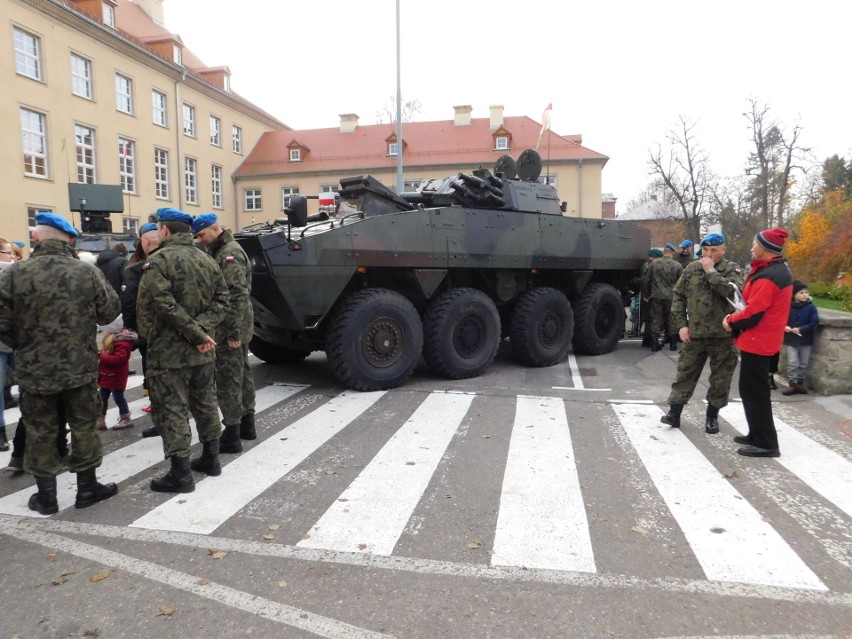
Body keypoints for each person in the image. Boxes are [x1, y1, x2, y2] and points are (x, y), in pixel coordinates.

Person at [0, 212, 120, 514]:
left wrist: (25, 345)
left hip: (34, 370)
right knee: (83, 426)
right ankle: (87, 488)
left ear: (36, 237)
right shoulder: (85, 272)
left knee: (40, 429)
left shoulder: (14, 274)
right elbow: (109, 313)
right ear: (70, 240)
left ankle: (46, 496)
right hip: (79, 368)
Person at [137, 208, 228, 493]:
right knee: (205, 402)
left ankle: (181, 475)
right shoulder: (208, 260)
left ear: (163, 230)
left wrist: (192, 332)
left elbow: (158, 306)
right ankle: (211, 460)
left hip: (169, 352)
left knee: (172, 409)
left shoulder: (158, 261)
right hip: (204, 350)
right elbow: (224, 302)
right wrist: (201, 331)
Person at [661, 233, 744, 434]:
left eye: (714, 250)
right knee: (685, 373)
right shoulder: (691, 269)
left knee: (720, 379)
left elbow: (731, 292)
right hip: (695, 333)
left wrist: (711, 271)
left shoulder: (731, 270)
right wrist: (681, 325)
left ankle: (712, 415)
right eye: (706, 250)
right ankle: (674, 412)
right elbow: (678, 296)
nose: (708, 254)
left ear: (723, 250)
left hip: (722, 336)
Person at [724, 227, 793, 458]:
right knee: (749, 390)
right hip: (758, 339)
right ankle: (756, 433)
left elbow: (754, 312)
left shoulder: (771, 275)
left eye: (755, 243)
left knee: (756, 393)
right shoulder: (770, 270)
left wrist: (731, 321)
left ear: (764, 248)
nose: (752, 247)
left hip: (760, 339)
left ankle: (767, 443)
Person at [192, 213, 257, 451]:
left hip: (231, 326)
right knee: (242, 373)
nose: (199, 240)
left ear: (214, 229)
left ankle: (232, 434)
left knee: (229, 378)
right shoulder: (223, 250)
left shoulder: (228, 254)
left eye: (201, 235)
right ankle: (247, 425)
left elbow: (236, 295)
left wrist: (232, 334)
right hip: (238, 325)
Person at [120, 222, 161, 433]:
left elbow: (128, 301)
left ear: (143, 240)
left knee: (153, 371)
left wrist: (128, 328)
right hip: (177, 331)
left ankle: (160, 413)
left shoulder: (136, 269)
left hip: (147, 330)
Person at [781, 280, 819, 396]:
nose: (805, 295)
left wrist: (801, 329)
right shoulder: (788, 306)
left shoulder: (811, 307)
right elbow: (781, 319)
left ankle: (800, 383)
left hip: (805, 339)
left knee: (803, 363)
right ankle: (792, 383)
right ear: (794, 294)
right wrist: (785, 327)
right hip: (792, 340)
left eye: (806, 292)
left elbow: (814, 321)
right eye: (801, 292)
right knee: (793, 363)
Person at [642, 243, 683, 352]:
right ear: (672, 253)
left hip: (656, 295)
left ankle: (655, 343)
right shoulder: (677, 265)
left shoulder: (654, 264)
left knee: (656, 318)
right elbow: (682, 282)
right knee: (672, 318)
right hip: (671, 296)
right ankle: (673, 344)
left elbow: (646, 280)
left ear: (664, 252)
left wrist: (646, 294)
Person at [97, 325, 137, 430]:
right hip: (107, 374)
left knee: (118, 397)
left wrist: (101, 355)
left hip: (116, 376)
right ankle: (100, 420)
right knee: (102, 397)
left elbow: (117, 359)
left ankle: (125, 418)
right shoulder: (112, 339)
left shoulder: (122, 342)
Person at [0, 237, 15, 450]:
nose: (12, 257)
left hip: (19, 340)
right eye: (7, 253)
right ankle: (1, 433)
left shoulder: (15, 275)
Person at [639, 248, 662, 347]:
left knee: (649, 318)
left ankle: (647, 340)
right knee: (650, 318)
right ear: (654, 257)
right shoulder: (649, 266)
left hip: (647, 294)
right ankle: (649, 341)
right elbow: (645, 281)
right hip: (648, 295)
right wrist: (646, 295)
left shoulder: (646, 265)